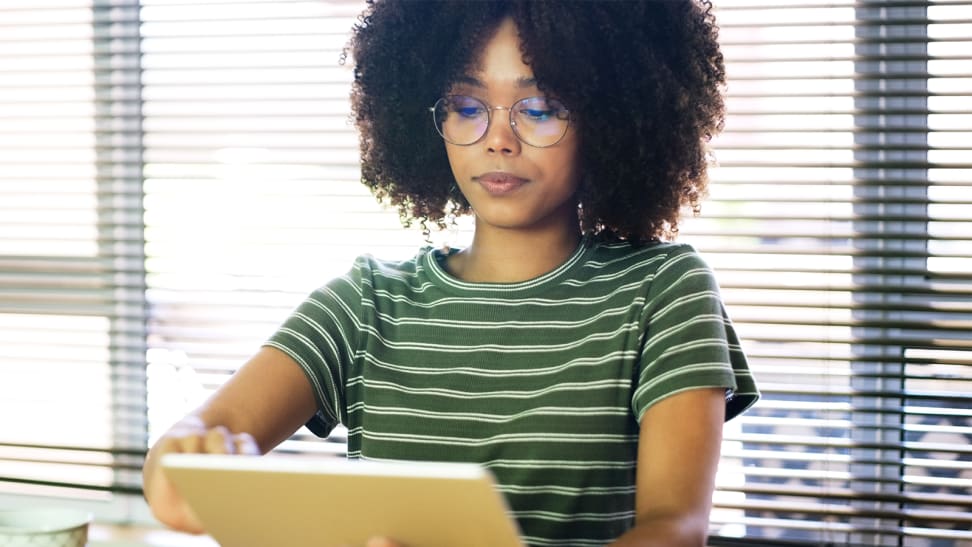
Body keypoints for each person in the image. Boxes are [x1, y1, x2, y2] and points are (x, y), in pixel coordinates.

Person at [142, 1, 759, 546]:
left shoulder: (662, 290)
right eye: (468, 107)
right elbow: (175, 472)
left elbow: (674, 529)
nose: (497, 139)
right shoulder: (367, 304)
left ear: (612, 117)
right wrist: (192, 460)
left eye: (539, 108)